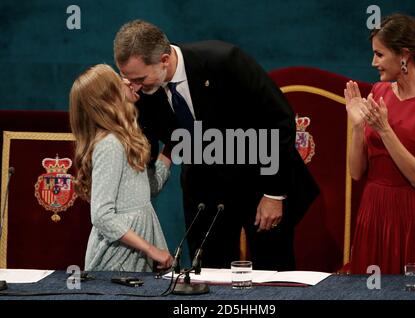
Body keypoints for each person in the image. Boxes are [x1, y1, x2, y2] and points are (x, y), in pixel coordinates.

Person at [113, 20, 319, 271]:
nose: (133, 86)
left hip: (258, 181)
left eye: (139, 78)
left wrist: (273, 193)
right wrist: (126, 109)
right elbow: (145, 147)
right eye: (126, 79)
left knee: (272, 272)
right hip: (203, 193)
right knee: (207, 276)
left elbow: (278, 119)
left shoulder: (224, 61)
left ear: (164, 60)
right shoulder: (141, 92)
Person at [345, 14, 415, 274]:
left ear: (403, 55)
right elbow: (356, 173)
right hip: (373, 211)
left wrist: (385, 130)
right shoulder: (378, 93)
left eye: (379, 55)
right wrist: (357, 128)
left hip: (412, 215)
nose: (373, 62)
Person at [69, 64, 174, 272]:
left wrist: (172, 147)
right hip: (119, 257)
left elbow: (145, 191)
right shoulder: (110, 145)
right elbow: (101, 215)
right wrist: (151, 250)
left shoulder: (124, 139)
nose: (128, 82)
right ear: (109, 98)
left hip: (135, 248)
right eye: (119, 80)